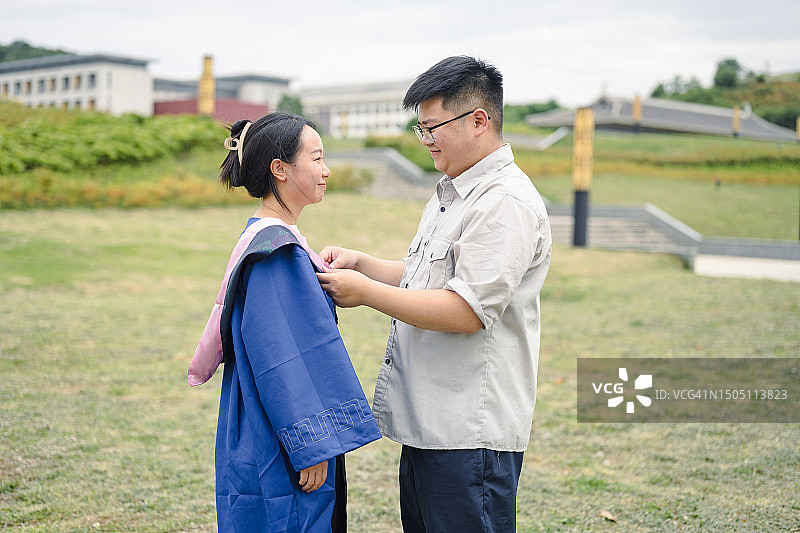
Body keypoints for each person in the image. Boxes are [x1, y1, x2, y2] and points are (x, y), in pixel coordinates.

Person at [316, 56, 552, 532]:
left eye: (432, 128)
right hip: (432, 423)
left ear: (479, 121)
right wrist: (367, 265)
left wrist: (366, 293)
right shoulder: (454, 189)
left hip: (470, 432)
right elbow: (431, 276)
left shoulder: (504, 202)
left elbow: (465, 309)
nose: (425, 141)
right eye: (419, 128)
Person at [188, 112, 381, 533]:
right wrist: (312, 444)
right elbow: (281, 354)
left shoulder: (268, 236)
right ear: (280, 169)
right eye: (316, 158)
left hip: (265, 415)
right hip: (281, 429)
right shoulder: (276, 252)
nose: (326, 170)